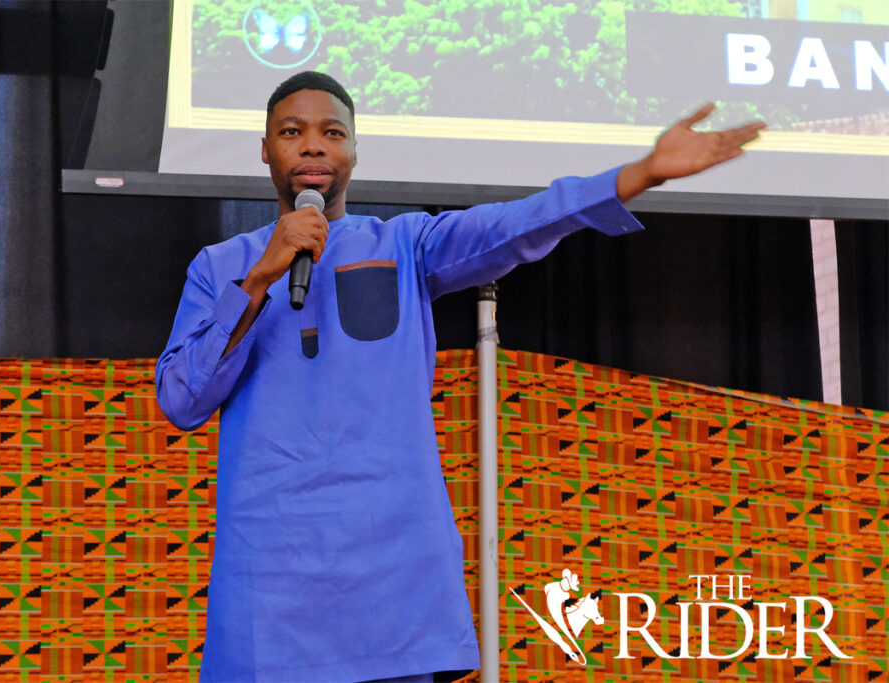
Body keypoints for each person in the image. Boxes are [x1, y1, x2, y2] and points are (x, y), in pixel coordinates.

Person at [155, 71, 765, 683]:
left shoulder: (406, 245)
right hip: (273, 582)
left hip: (394, 574)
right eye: (291, 132)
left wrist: (641, 174)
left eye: (332, 132)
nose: (312, 146)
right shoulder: (221, 267)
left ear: (354, 152)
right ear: (265, 149)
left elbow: (515, 225)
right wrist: (261, 276)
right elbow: (181, 399)